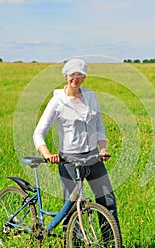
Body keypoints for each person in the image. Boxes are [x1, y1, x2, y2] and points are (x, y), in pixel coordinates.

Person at [33, 58, 122, 237]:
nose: (76, 79)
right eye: (72, 75)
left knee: (107, 200)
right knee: (73, 206)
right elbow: (38, 132)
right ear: (66, 76)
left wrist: (102, 149)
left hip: (92, 157)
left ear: (84, 77)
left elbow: (99, 126)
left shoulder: (90, 96)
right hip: (69, 160)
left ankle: (112, 245)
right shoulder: (57, 101)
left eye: (80, 75)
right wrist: (48, 154)